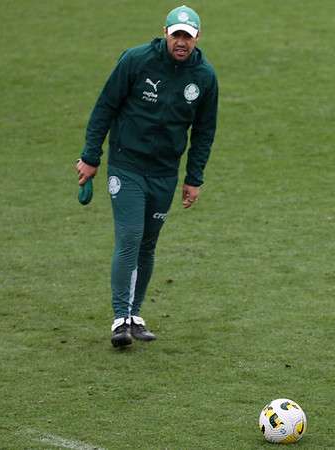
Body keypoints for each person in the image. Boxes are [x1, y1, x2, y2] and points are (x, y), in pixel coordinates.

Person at [75, 5, 218, 348]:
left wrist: (193, 178)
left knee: (148, 244)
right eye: (176, 35)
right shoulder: (136, 60)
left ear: (197, 38)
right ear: (166, 33)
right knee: (130, 237)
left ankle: (135, 315)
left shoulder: (205, 77)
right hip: (127, 166)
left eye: (188, 36)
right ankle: (120, 318)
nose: (181, 42)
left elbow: (204, 131)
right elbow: (105, 106)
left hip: (165, 173)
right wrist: (90, 157)